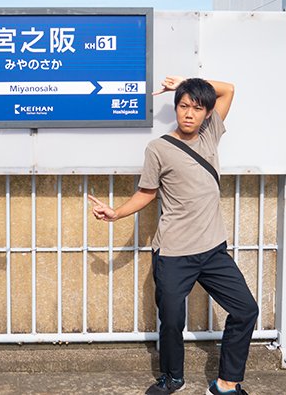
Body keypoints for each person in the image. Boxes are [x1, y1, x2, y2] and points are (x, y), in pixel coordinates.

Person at [88, 76, 258, 395]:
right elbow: (146, 193)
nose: (189, 114)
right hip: (173, 253)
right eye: (182, 106)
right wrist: (116, 213)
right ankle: (172, 378)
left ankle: (225, 384)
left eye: (196, 107)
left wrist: (184, 82)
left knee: (246, 309)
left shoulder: (210, 136)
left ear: (207, 113)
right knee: (172, 322)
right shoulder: (159, 149)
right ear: (176, 109)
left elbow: (229, 89)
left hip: (213, 251)